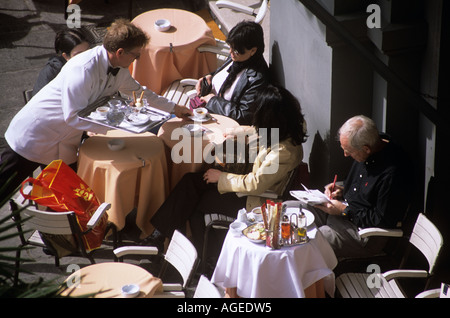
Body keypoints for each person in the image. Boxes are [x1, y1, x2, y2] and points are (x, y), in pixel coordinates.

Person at [0, 18, 192, 202]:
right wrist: (119, 126)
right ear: (119, 52)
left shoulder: (120, 69)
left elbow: (140, 92)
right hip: (32, 137)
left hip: (62, 144)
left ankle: (61, 232)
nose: (137, 59)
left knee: (71, 197)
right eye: (136, 54)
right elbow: (73, 117)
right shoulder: (82, 70)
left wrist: (175, 108)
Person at [142, 84, 308, 254]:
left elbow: (256, 184)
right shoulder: (285, 129)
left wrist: (221, 177)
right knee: (190, 181)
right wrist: (236, 132)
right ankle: (160, 236)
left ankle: (205, 258)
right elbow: (257, 132)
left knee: (196, 203)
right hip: (246, 184)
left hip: (256, 200)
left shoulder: (284, 152)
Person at [313, 115, 415, 260]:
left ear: (366, 149)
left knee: (310, 239)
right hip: (342, 214)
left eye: (349, 151)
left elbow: (381, 219)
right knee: (292, 208)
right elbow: (366, 190)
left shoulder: (392, 173)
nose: (345, 154)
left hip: (364, 234)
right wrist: (342, 191)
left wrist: (344, 210)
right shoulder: (369, 145)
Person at [195, 21, 269, 125]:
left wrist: (212, 101)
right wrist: (210, 77)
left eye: (236, 50)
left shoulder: (257, 80)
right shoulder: (238, 57)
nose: (230, 52)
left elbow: (243, 116)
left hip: (223, 123)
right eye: (230, 47)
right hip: (209, 110)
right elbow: (225, 73)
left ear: (252, 51)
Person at [32, 28, 90, 96]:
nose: (86, 56)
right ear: (66, 56)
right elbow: (39, 100)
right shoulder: (52, 71)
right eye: (78, 54)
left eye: (88, 51)